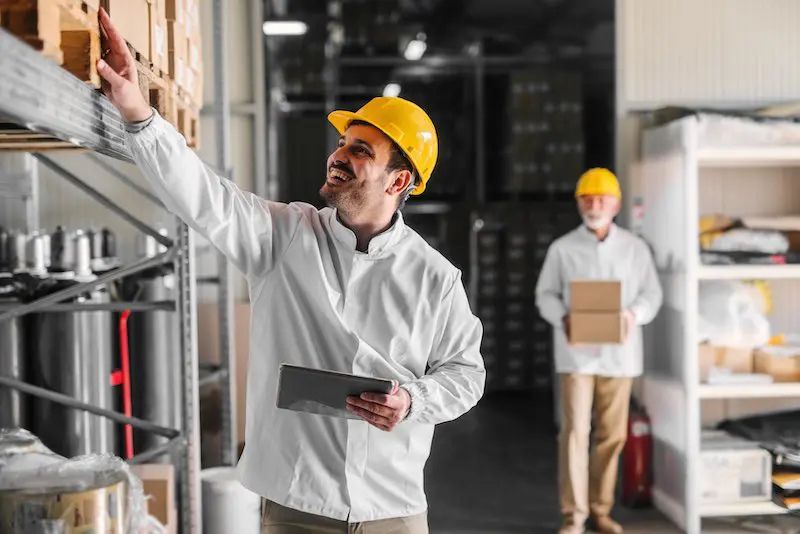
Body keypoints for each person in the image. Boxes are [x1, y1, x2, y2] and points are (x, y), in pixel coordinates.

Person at [96, 9, 485, 533]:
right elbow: (204, 197)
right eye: (344, 142)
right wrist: (140, 113)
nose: (339, 154)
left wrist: (414, 399)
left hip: (393, 509)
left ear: (398, 181)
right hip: (297, 506)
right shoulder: (284, 236)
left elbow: (466, 374)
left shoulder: (435, 277)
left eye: (360, 150)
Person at [535, 168, 662, 534]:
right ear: (578, 203)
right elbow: (545, 294)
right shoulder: (563, 248)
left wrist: (632, 315)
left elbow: (652, 295)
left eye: (601, 199)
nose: (594, 205)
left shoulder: (634, 249)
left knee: (612, 435)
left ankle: (601, 509)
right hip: (576, 356)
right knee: (574, 433)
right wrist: (564, 318)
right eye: (587, 199)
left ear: (616, 204)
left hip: (619, 357)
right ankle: (573, 516)